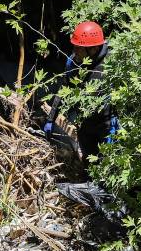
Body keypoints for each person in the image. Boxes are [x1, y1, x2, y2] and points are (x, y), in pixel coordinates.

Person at [42, 20, 118, 161]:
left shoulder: (113, 64)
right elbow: (63, 90)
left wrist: (117, 127)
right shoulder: (73, 63)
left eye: (79, 48)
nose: (74, 51)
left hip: (107, 126)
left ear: (93, 49)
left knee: (106, 170)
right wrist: (50, 118)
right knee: (89, 165)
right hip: (85, 124)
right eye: (74, 47)